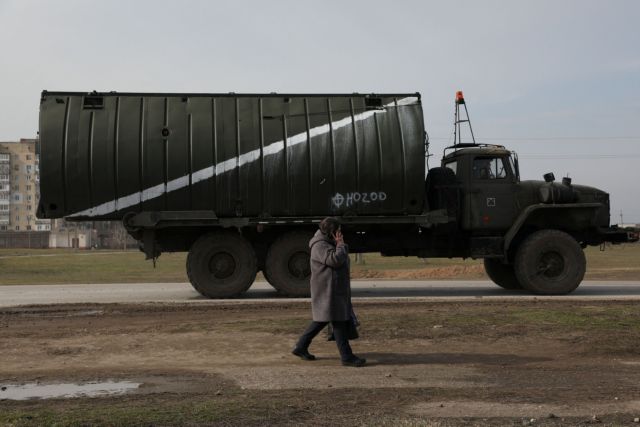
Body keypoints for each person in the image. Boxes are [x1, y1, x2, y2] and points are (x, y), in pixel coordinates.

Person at [292, 217, 366, 367]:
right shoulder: (320, 245)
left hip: (332, 289)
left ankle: (301, 346)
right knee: (338, 321)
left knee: (323, 320)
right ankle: (347, 356)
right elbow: (334, 260)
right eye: (338, 230)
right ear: (332, 232)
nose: (340, 233)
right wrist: (341, 245)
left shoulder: (327, 243)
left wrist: (339, 245)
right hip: (328, 290)